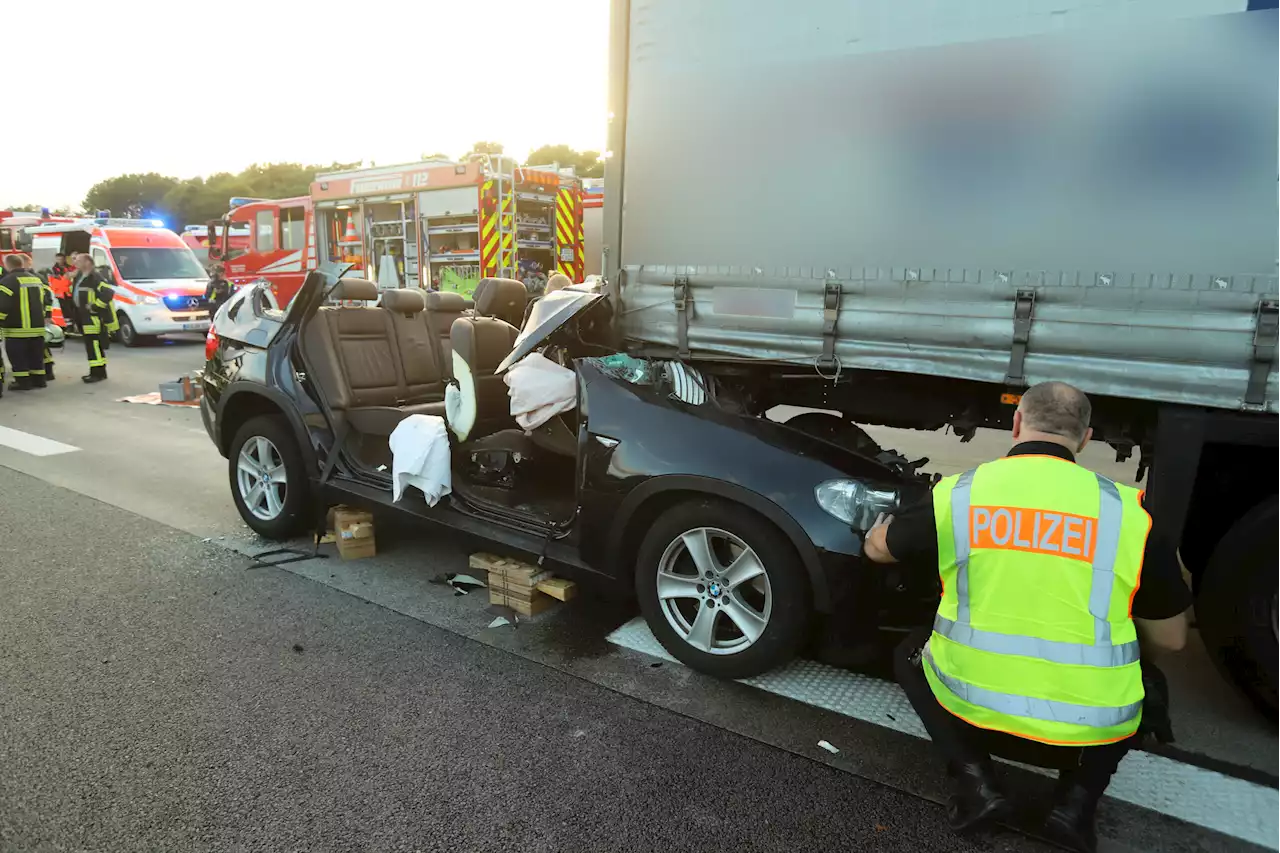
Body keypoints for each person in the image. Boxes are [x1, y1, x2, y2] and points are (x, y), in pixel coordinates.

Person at [861, 382, 1191, 853]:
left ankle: (978, 786)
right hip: (1087, 727)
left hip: (973, 707)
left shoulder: (959, 495)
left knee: (908, 652)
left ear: (1017, 424)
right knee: (1147, 679)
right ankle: (1075, 808)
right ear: (1085, 437)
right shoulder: (1128, 514)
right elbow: (1174, 639)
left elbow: (880, 550)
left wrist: (876, 534)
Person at [0, 255, 50, 390]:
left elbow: (3, 306)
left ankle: (23, 382)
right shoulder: (35, 279)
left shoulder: (8, 281)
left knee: (18, 357)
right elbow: (45, 300)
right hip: (37, 327)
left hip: (17, 328)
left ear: (8, 265)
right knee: (36, 356)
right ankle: (39, 380)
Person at [73, 252, 117, 383]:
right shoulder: (80, 276)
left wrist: (95, 306)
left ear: (88, 262)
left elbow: (108, 292)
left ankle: (97, 373)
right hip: (83, 317)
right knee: (91, 346)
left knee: (94, 346)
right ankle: (97, 372)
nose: (75, 262)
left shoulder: (95, 277)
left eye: (79, 260)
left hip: (93, 318)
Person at [50, 251, 78, 334]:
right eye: (58, 259)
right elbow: (65, 276)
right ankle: (69, 326)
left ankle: (72, 325)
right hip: (60, 292)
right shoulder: (55, 268)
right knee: (66, 310)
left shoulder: (68, 267)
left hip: (68, 292)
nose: (60, 261)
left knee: (71, 309)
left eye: (61, 259)